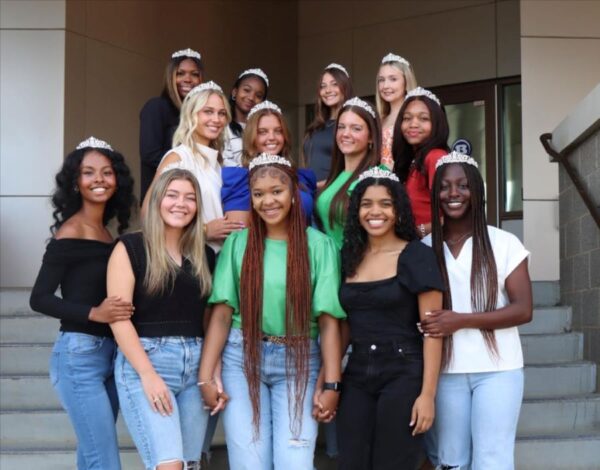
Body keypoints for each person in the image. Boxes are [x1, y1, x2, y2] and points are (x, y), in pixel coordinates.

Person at [199, 154, 346, 470]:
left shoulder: (319, 246)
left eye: (276, 191)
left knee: (295, 463)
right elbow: (222, 314)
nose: (268, 201)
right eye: (258, 194)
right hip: (242, 357)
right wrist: (205, 376)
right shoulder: (238, 243)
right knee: (249, 463)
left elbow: (329, 321)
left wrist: (332, 383)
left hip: (299, 359)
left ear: (293, 193)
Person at [421, 152, 533, 470]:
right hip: (445, 371)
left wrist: (461, 321)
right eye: (444, 186)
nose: (453, 193)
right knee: (451, 461)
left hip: (499, 369)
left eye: (463, 185)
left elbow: (523, 309)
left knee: (492, 458)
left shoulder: (504, 243)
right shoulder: (426, 247)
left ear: (477, 190)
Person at [29, 136, 135, 470]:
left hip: (110, 354)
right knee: (104, 461)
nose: (99, 179)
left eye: (107, 172)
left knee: (91, 457)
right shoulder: (70, 232)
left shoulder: (104, 231)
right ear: (76, 182)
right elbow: (39, 298)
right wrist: (94, 313)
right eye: (88, 173)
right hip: (79, 358)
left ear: (117, 180)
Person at [107, 168, 216, 470]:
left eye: (190, 198)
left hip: (195, 368)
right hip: (148, 361)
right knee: (169, 465)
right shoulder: (130, 248)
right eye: (172, 195)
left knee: (190, 465)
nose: (181, 204)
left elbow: (209, 320)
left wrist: (211, 371)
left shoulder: (204, 255)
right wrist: (148, 375)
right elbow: (118, 319)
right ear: (157, 200)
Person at [335, 167, 443, 470]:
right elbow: (344, 325)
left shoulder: (416, 255)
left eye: (385, 203)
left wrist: (427, 395)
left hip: (404, 371)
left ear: (398, 210)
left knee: (393, 463)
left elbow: (433, 331)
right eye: (366, 204)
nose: (375, 212)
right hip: (357, 372)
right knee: (351, 461)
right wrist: (327, 381)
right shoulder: (349, 256)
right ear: (356, 211)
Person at [142, 80, 243, 252]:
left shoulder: (219, 163)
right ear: (191, 114)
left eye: (222, 113)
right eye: (208, 111)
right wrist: (204, 230)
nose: (216, 119)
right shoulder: (178, 157)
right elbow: (148, 214)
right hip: (188, 256)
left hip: (219, 258)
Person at [221, 101, 317, 225]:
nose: (272, 137)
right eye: (263, 132)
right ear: (252, 137)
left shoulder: (303, 177)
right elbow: (238, 230)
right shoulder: (240, 180)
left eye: (278, 131)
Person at [315, 97, 381, 249]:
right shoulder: (336, 176)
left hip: (356, 261)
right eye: (341, 127)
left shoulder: (376, 177)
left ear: (371, 137)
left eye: (356, 128)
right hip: (329, 260)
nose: (345, 134)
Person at [139, 48, 203, 201]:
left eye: (194, 74)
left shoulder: (200, 115)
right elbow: (150, 155)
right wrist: (191, 167)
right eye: (180, 73)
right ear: (170, 77)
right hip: (161, 197)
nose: (188, 79)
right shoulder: (156, 107)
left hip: (193, 198)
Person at [391, 87, 450, 238]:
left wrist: (419, 231)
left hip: (434, 245)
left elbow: (454, 213)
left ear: (437, 123)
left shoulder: (435, 157)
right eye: (407, 118)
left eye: (423, 119)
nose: (413, 124)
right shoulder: (412, 160)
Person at [303, 63, 353, 187]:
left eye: (334, 84)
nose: (328, 90)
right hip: (310, 191)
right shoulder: (317, 126)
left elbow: (352, 169)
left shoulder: (351, 125)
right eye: (323, 86)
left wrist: (319, 185)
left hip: (334, 191)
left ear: (345, 86)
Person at [376, 53, 417, 169]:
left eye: (393, 79)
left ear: (406, 81)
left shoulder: (414, 117)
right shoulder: (379, 119)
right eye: (381, 80)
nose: (385, 85)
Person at [222, 68, 269, 167]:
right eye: (247, 90)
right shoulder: (221, 125)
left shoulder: (264, 130)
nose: (251, 97)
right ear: (235, 92)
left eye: (258, 95)